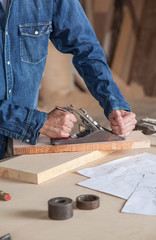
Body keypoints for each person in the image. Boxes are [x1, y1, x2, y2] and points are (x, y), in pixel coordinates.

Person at [0, 0, 136, 160]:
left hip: (20, 142)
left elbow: (86, 47)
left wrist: (114, 103)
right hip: (25, 129)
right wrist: (34, 122)